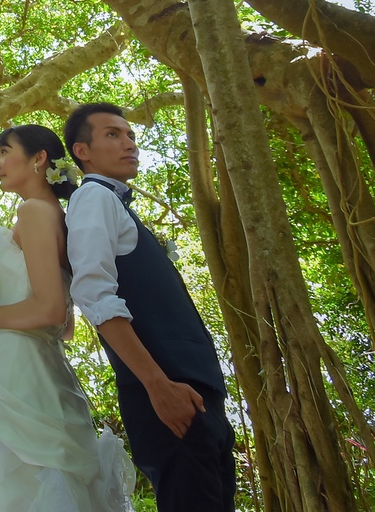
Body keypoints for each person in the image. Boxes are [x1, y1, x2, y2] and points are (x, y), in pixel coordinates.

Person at [62, 103, 236, 511]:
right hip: (167, 394)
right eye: (113, 135)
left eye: (131, 135)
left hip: (196, 394)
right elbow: (95, 296)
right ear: (82, 151)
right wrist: (157, 385)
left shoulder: (118, 206)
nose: (129, 143)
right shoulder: (93, 197)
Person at [0, 123, 134, 512]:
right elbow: (64, 325)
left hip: (23, 366)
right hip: (36, 360)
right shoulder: (56, 215)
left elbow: (50, 309)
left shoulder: (34, 211)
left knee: (23, 481)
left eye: (5, 151)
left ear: (39, 159)